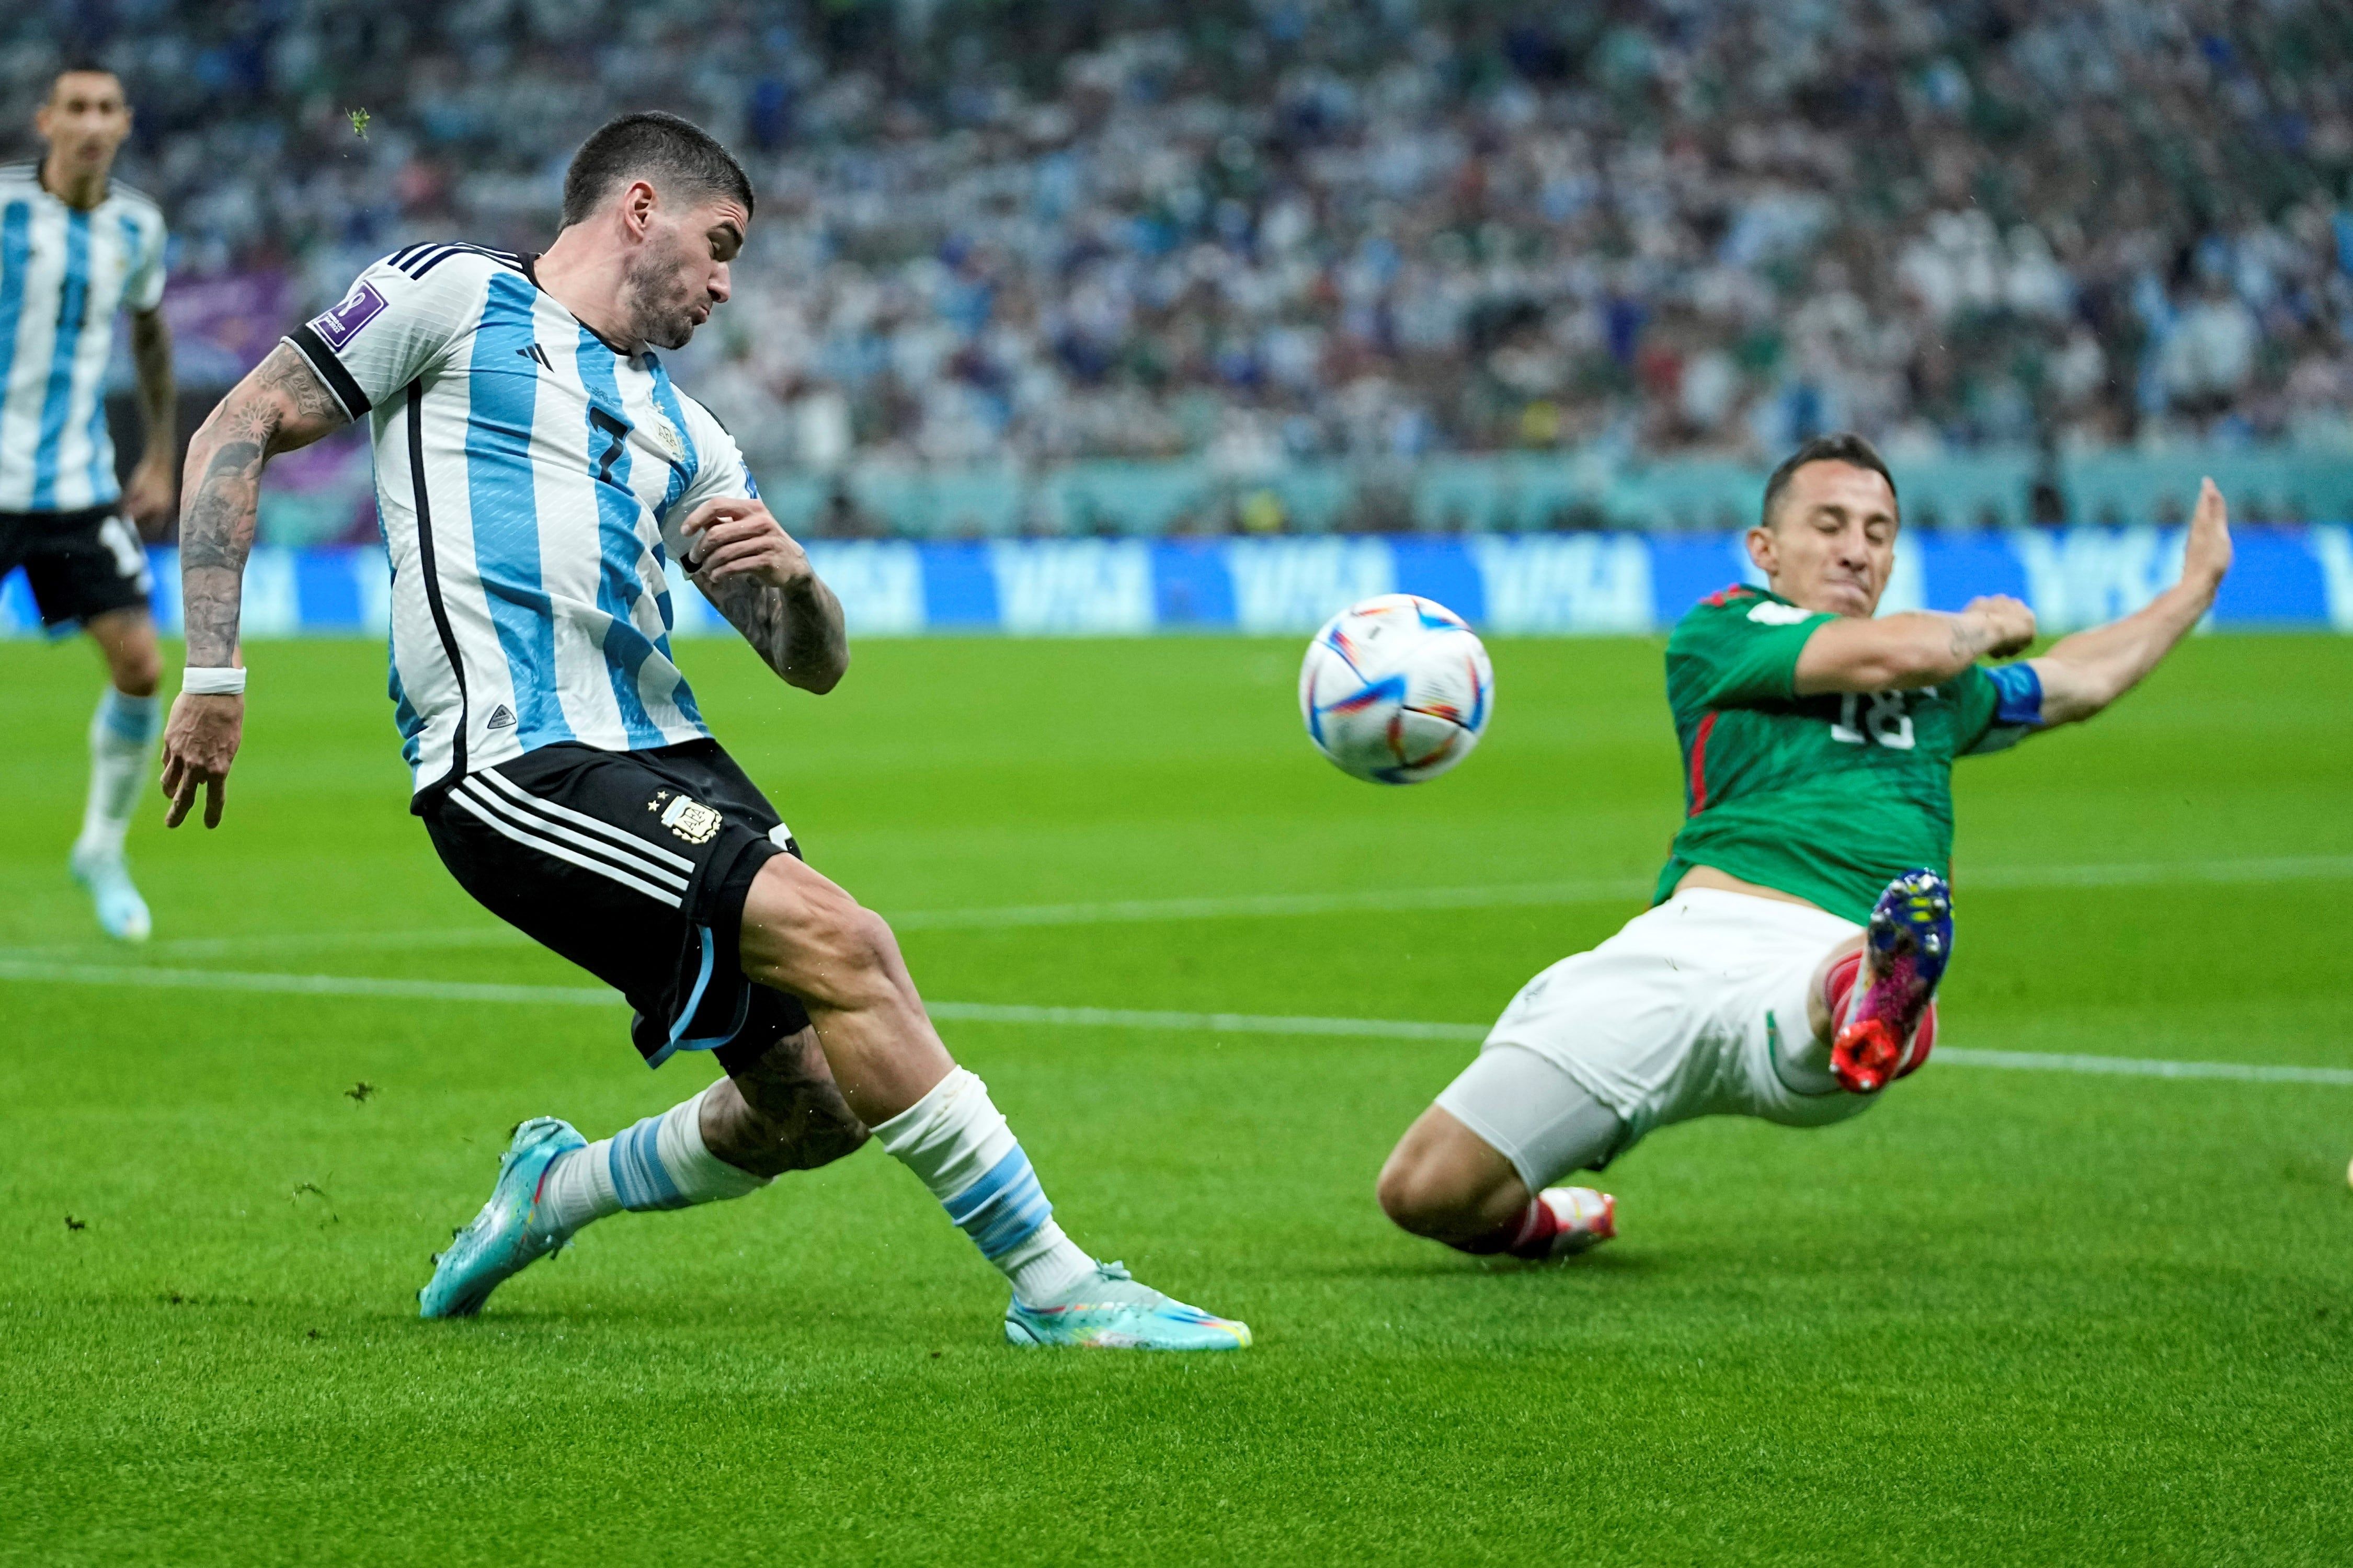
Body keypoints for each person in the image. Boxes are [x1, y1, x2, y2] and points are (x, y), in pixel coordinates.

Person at [155, 111, 1248, 1352]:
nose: (727, 285)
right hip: (518, 759)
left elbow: (810, 667)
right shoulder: (452, 295)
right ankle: (1058, 1288)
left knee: (815, 1108)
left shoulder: (690, 431)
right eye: (720, 246)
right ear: (640, 209)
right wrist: (215, 673)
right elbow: (237, 426)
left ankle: (555, 1189)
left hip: (668, 757)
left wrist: (799, 584)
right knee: (848, 942)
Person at [1376, 433, 2234, 1261]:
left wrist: (2195, 589)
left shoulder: (1942, 692)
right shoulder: (1726, 630)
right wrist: (1975, 628)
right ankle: (1553, 1220)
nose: (1857, 550)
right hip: (1674, 957)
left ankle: (1876, 989)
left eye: (1878, 533)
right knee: (1422, 1191)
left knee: (1837, 989)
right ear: (1766, 548)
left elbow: (2082, 680)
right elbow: (1890, 653)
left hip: (1811, 965)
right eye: (1830, 525)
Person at [1, 63, 176, 940]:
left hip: (74, 487)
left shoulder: (137, 226)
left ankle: (102, 849)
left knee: (141, 665)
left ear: (125, 123)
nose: (92, 122)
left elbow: (149, 334)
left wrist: (162, 451)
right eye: (76, 108)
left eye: (107, 108)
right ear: (47, 121)